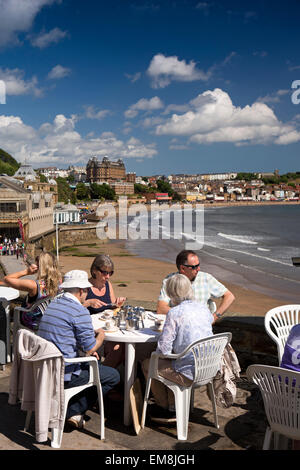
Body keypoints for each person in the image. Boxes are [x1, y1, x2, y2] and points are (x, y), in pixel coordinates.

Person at [37, 269, 120, 428]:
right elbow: (89, 349)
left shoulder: (53, 303)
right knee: (113, 376)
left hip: (44, 367)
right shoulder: (80, 311)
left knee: (97, 365)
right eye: (87, 290)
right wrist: (101, 336)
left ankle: (72, 409)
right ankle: (73, 410)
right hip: (63, 372)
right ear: (81, 290)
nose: (87, 293)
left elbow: (65, 334)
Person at [142, 273, 214, 422]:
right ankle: (173, 406)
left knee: (148, 364)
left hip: (189, 373)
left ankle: (165, 408)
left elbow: (163, 350)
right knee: (170, 363)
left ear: (170, 293)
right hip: (209, 368)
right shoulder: (205, 310)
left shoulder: (175, 313)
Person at [157, 250, 235, 323]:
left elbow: (229, 296)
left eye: (198, 265)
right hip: (177, 326)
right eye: (194, 267)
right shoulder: (170, 280)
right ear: (182, 268)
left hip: (201, 326)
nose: (198, 269)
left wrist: (215, 317)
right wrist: (188, 316)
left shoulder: (206, 278)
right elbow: (161, 309)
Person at [84, 254, 126, 370]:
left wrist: (117, 304)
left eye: (110, 273)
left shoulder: (108, 285)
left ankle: (105, 378)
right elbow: (75, 310)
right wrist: (88, 303)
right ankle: (103, 378)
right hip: (93, 333)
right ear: (94, 271)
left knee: (122, 348)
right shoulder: (86, 288)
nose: (107, 276)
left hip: (108, 329)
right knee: (118, 350)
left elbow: (113, 308)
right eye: (104, 272)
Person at [3, 251, 61, 330]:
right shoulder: (59, 282)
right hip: (49, 319)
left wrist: (26, 272)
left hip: (33, 322)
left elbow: (6, 279)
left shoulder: (33, 285)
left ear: (40, 266)